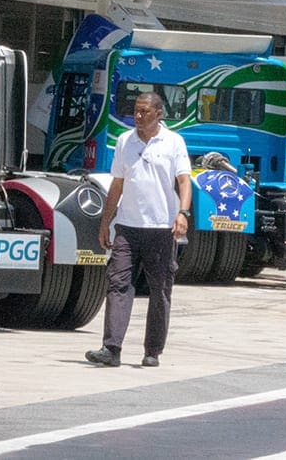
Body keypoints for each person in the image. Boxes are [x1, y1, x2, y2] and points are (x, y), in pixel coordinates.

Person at [86, 92, 192, 368]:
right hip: (128, 228)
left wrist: (183, 213)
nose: (138, 116)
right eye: (136, 111)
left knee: (160, 290)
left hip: (161, 229)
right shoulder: (125, 141)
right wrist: (106, 222)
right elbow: (117, 184)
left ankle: (152, 350)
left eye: (144, 111)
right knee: (118, 284)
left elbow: (184, 181)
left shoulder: (173, 142)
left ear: (158, 114)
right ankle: (111, 348)